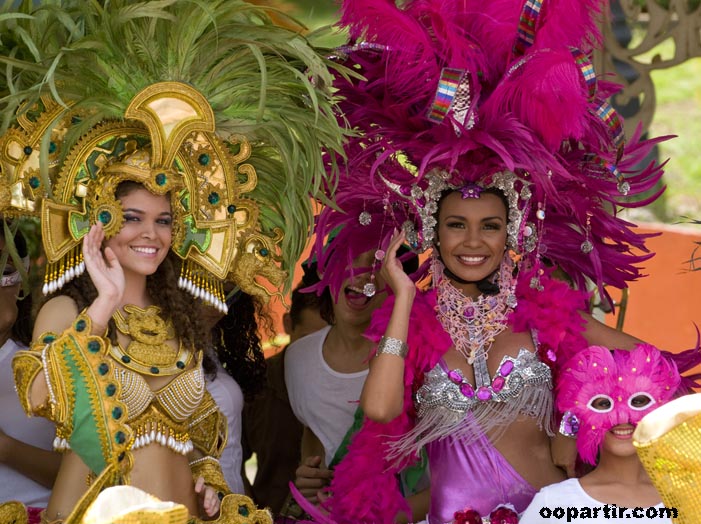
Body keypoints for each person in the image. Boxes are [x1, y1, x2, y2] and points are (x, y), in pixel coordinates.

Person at [294, 1, 673, 522]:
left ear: (511, 234)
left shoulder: (546, 324)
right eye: (456, 225)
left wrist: (582, 425)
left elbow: (656, 368)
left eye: (489, 226)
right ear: (432, 231)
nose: (473, 242)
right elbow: (380, 411)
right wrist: (403, 297)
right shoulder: (415, 326)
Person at [0, 2, 346, 522]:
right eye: (132, 216)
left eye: (164, 221)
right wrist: (107, 301)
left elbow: (190, 437)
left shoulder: (178, 317)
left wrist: (206, 482)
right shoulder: (67, 311)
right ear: (97, 218)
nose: (151, 234)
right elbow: (42, 394)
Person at [520, 344, 682, 523]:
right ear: (579, 414)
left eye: (639, 401)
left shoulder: (685, 499)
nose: (621, 418)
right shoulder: (554, 504)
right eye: (603, 404)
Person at [242, 277, 327, 516]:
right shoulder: (254, 384)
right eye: (310, 341)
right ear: (288, 323)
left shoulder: (368, 384)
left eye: (331, 340)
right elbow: (230, 464)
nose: (321, 352)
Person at [0, 225, 60, 523]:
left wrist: (6, 448)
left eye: (4, 270)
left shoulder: (49, 369)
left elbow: (90, 471)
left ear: (20, 281)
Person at [202, 290, 268, 495]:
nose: (217, 301)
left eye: (228, 290)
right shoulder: (158, 352)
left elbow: (232, 459)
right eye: (202, 284)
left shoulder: (208, 346)